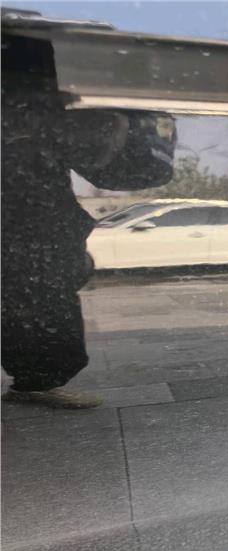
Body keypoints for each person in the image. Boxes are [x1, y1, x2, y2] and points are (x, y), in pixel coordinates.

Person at [1, 26, 176, 408]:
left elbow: (125, 167)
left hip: (35, 225)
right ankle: (37, 380)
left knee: (41, 290)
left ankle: (36, 382)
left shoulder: (37, 98)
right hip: (31, 229)